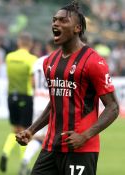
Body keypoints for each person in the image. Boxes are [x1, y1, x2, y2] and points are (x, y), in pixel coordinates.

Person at [16, 1, 119, 175]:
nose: (56, 23)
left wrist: (85, 136)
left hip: (81, 149)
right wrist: (32, 130)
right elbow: (55, 104)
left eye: (63, 21)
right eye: (54, 20)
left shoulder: (94, 62)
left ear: (77, 28)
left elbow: (113, 107)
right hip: (51, 146)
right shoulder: (50, 62)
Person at [19, 39, 58, 175]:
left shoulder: (37, 61)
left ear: (47, 46)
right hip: (51, 103)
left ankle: (25, 159)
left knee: (37, 135)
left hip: (38, 101)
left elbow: (33, 82)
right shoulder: (59, 60)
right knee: (52, 136)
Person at [0, 32, 37, 173]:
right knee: (25, 132)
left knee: (15, 129)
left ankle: (5, 152)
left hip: (11, 96)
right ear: (30, 44)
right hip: (25, 96)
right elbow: (33, 81)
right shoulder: (32, 59)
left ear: (19, 43)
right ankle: (24, 164)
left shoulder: (9, 57)